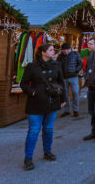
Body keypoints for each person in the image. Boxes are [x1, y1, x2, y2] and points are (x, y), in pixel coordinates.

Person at [20, 43, 65, 171]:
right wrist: (32, 92)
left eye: (53, 50)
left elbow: (61, 82)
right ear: (43, 52)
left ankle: (47, 151)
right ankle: (28, 158)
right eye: (50, 50)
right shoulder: (32, 66)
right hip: (36, 103)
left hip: (52, 101)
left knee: (49, 128)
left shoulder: (57, 65)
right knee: (34, 130)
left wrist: (63, 99)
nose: (53, 52)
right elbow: (23, 83)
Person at [57, 42, 83, 117]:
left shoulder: (75, 54)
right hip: (64, 78)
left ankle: (75, 110)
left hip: (73, 77)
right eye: (64, 50)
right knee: (65, 95)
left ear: (70, 49)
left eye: (67, 49)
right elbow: (58, 66)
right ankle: (67, 110)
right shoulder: (60, 56)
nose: (65, 51)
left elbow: (80, 64)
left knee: (75, 93)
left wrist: (76, 70)